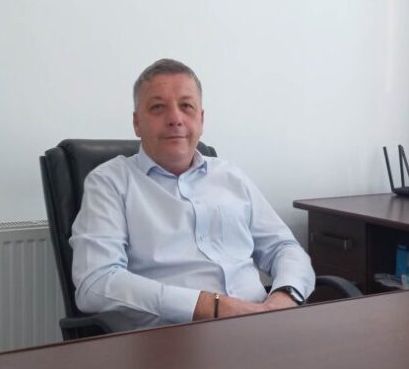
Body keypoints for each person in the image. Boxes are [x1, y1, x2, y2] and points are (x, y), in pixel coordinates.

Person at [69, 58, 315, 332]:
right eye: (158, 107)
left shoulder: (230, 176)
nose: (175, 119)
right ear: (137, 123)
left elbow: (284, 248)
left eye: (186, 106)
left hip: (263, 326)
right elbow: (96, 283)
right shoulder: (110, 183)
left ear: (201, 119)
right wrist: (210, 306)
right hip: (175, 338)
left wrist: (285, 296)